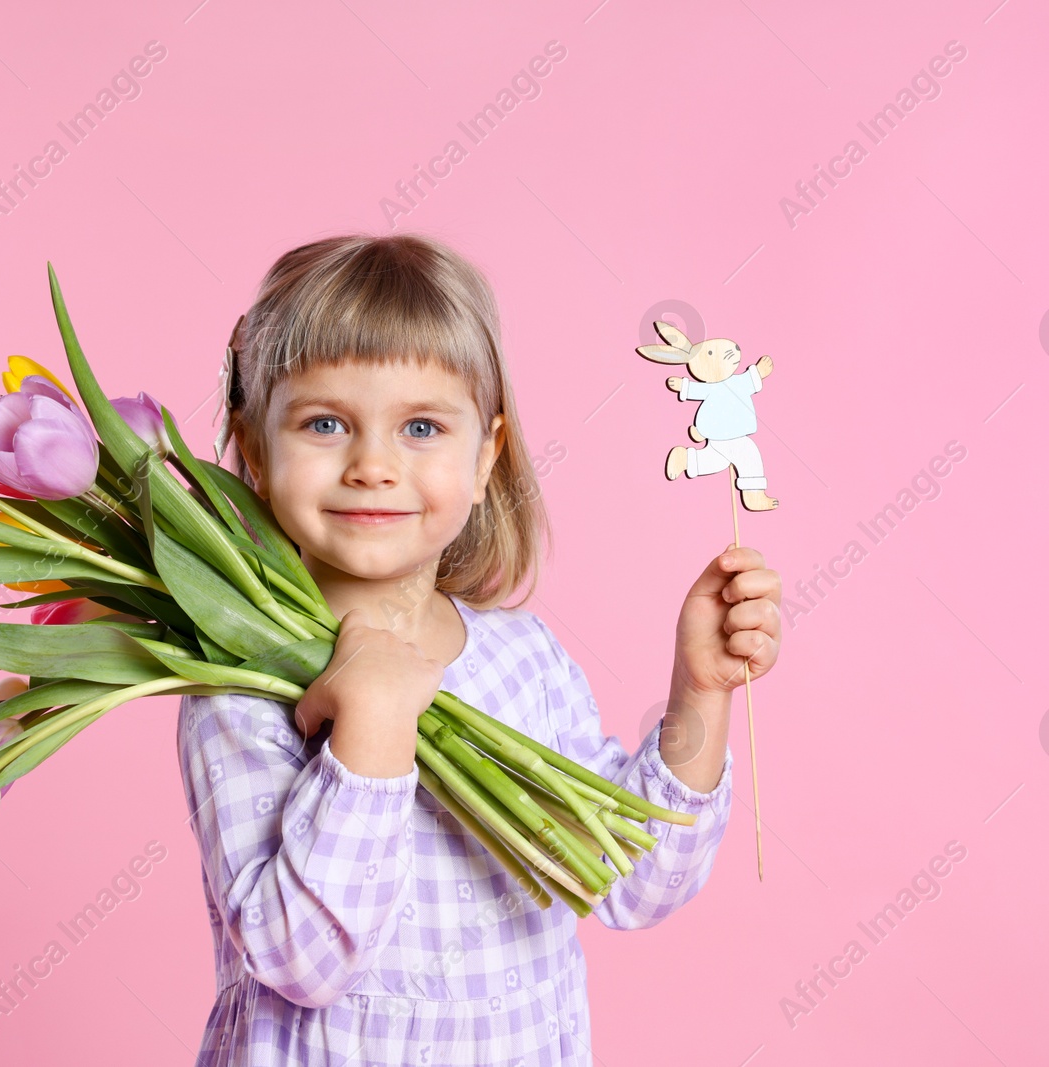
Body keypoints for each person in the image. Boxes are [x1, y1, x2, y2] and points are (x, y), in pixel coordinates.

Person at [175, 233, 782, 1064]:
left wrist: (699, 694)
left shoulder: (522, 659)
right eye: (325, 423)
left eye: (421, 426)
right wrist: (374, 720)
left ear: (485, 454)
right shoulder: (238, 685)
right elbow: (299, 958)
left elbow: (631, 881)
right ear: (253, 444)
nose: (373, 465)